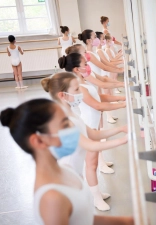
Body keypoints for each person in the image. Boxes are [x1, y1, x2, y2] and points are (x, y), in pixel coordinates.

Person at [0, 99, 134, 225]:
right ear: (39, 141)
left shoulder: (67, 170)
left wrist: (127, 221)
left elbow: (83, 218)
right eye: (65, 125)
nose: (73, 130)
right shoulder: (52, 197)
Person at [59, 53, 126, 211]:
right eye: (84, 63)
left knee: (93, 163)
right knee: (91, 164)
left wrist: (121, 99)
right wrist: (122, 105)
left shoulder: (82, 81)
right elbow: (97, 105)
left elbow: (99, 96)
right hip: (88, 124)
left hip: (93, 125)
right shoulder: (78, 86)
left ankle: (96, 192)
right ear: (76, 68)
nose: (87, 65)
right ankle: (95, 197)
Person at [41, 72, 128, 177]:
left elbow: (93, 134)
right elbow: (91, 145)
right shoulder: (64, 121)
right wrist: (123, 140)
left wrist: (121, 129)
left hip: (75, 174)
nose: (80, 93)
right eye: (77, 90)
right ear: (62, 95)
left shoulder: (72, 114)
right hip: (67, 176)